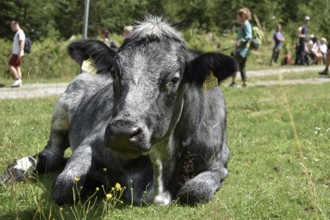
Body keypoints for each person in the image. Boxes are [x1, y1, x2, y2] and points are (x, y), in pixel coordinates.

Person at [229, 7, 253, 87]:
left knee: (233, 64)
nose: (237, 18)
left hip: (243, 50)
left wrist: (240, 41)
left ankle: (233, 82)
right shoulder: (244, 25)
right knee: (242, 66)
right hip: (242, 50)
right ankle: (245, 83)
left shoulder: (246, 24)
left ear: (243, 16)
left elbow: (249, 36)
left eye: (238, 16)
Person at [8, 20, 25, 88]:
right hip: (16, 53)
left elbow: (22, 42)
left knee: (10, 65)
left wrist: (20, 51)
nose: (12, 28)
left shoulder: (20, 33)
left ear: (16, 25)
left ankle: (17, 79)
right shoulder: (17, 33)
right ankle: (19, 81)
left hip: (17, 53)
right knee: (17, 66)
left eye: (12, 27)